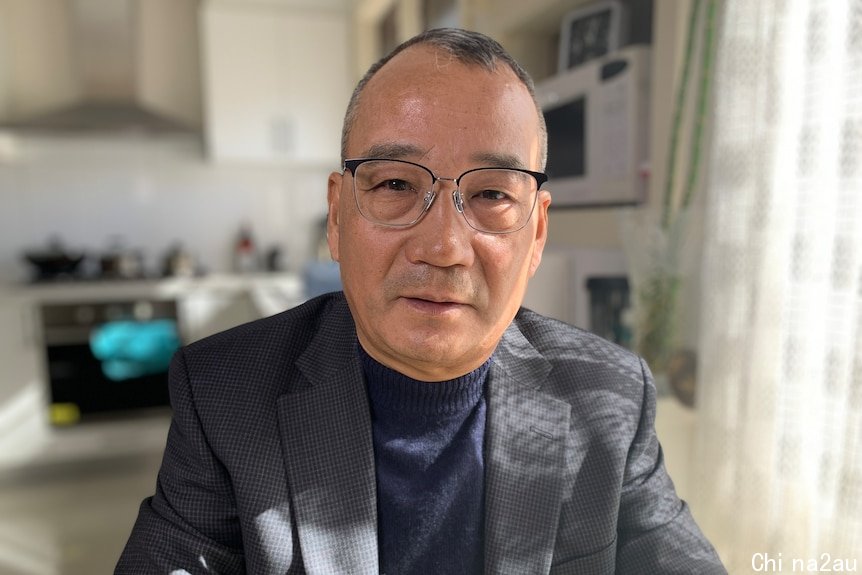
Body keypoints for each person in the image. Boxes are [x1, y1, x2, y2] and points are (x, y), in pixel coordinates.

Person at [116, 28, 725, 574]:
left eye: (490, 194)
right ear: (337, 215)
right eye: (397, 184)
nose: (444, 246)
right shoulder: (226, 392)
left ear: (536, 233)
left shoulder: (609, 398)